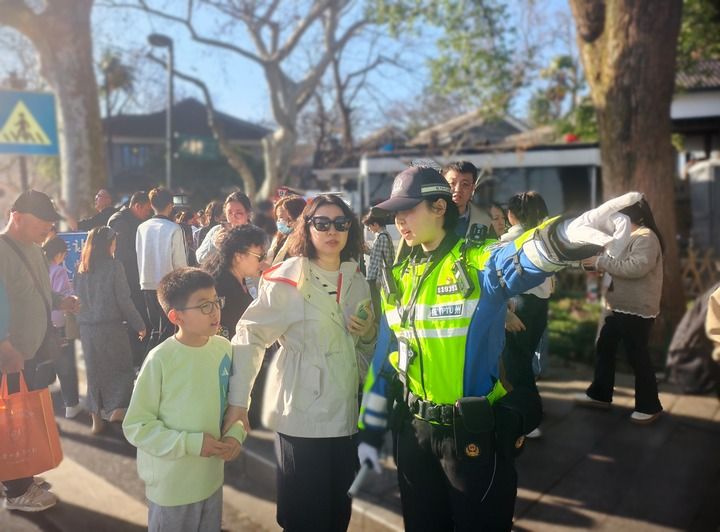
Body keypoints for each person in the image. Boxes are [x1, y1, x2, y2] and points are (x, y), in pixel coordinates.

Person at [356, 166, 642, 531]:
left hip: (470, 438)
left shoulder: (476, 260)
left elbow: (518, 259)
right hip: (414, 436)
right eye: (395, 213)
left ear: (440, 207)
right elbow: (385, 360)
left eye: (407, 209)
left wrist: (563, 237)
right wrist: (369, 429)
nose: (399, 221)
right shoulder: (398, 278)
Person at [223, 194, 376, 531]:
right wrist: (238, 401)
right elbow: (250, 335)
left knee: (337, 514)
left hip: (345, 415)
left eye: (341, 223)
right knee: (303, 517)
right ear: (307, 228)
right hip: (300, 416)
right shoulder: (287, 280)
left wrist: (366, 334)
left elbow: (364, 347)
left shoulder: (357, 281)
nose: (332, 230)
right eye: (322, 223)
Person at [123, 267, 247, 532]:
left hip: (211, 479)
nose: (215, 311)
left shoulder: (224, 349)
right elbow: (136, 426)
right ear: (175, 316)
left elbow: (234, 404)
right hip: (172, 488)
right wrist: (191, 443)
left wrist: (236, 434)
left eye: (216, 301)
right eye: (204, 306)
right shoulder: (160, 359)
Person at [0, 190, 79, 512]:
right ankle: (16, 490)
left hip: (30, 351)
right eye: (41, 225)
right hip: (10, 354)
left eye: (49, 226)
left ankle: (20, 474)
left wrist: (61, 301)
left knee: (23, 415)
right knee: (10, 420)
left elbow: (39, 290)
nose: (47, 231)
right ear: (16, 217)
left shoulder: (34, 249)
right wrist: (5, 346)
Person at [576, 196, 664, 424]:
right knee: (604, 347)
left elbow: (637, 267)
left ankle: (649, 406)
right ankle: (600, 395)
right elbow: (614, 264)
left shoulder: (645, 236)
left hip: (636, 308)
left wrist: (600, 263)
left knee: (637, 355)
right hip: (615, 305)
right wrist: (596, 263)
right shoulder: (623, 237)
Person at [75, 226, 146, 434]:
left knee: (93, 374)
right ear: (108, 245)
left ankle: (96, 419)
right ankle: (118, 410)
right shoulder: (115, 267)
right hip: (111, 328)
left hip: (87, 329)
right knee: (121, 370)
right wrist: (139, 324)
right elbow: (124, 300)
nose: (115, 245)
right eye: (114, 242)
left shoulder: (81, 269)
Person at [501, 192, 554, 439]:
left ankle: (529, 417)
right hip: (540, 305)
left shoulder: (509, 240)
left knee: (516, 363)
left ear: (511, 214)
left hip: (518, 306)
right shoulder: (544, 237)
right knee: (524, 360)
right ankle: (531, 408)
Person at [136, 188, 188, 351]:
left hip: (147, 282)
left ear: (151, 205)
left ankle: (149, 359)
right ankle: (154, 360)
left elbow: (138, 254)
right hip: (169, 285)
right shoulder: (174, 229)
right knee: (168, 329)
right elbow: (180, 263)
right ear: (170, 205)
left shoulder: (142, 228)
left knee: (155, 328)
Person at [108, 191, 153, 366]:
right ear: (137, 206)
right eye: (147, 210)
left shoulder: (133, 221)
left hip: (135, 278)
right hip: (127, 280)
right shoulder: (120, 222)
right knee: (133, 319)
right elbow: (122, 255)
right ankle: (133, 360)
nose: (148, 214)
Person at [203, 225, 268, 340]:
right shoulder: (219, 288)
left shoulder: (239, 279)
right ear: (238, 257)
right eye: (260, 257)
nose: (264, 262)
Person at [42, 236, 83, 419]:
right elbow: (62, 299)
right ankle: (71, 405)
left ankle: (45, 406)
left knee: (45, 366)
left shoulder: (39, 268)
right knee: (65, 366)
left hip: (41, 325)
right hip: (58, 325)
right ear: (59, 254)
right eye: (64, 255)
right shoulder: (58, 271)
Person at [196, 191, 252, 264]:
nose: (233, 217)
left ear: (248, 214)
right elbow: (200, 258)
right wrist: (214, 245)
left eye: (238, 213)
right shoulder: (217, 231)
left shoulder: (256, 235)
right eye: (229, 213)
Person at [362, 210, 395, 323]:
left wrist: (379, 279)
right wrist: (367, 250)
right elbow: (377, 255)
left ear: (375, 224)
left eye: (369, 226)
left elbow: (385, 260)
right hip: (374, 276)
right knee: (376, 303)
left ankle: (380, 325)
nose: (369, 229)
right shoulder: (380, 237)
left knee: (378, 304)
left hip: (376, 277)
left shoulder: (382, 237)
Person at [267, 194, 307, 265]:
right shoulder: (278, 238)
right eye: (278, 217)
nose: (279, 221)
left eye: (281, 217)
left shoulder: (304, 245)